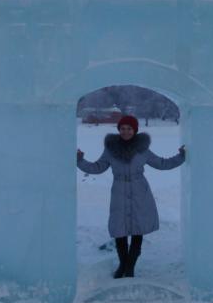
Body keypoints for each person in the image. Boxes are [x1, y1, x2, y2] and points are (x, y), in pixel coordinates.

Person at [77, 115, 185, 279]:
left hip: (140, 193)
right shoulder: (111, 149)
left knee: (137, 231)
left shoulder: (142, 149)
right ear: (119, 130)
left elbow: (162, 164)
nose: (126, 131)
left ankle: (130, 267)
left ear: (135, 130)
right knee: (119, 232)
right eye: (123, 128)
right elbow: (97, 167)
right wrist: (80, 161)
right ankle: (122, 265)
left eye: (129, 128)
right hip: (119, 192)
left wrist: (181, 156)